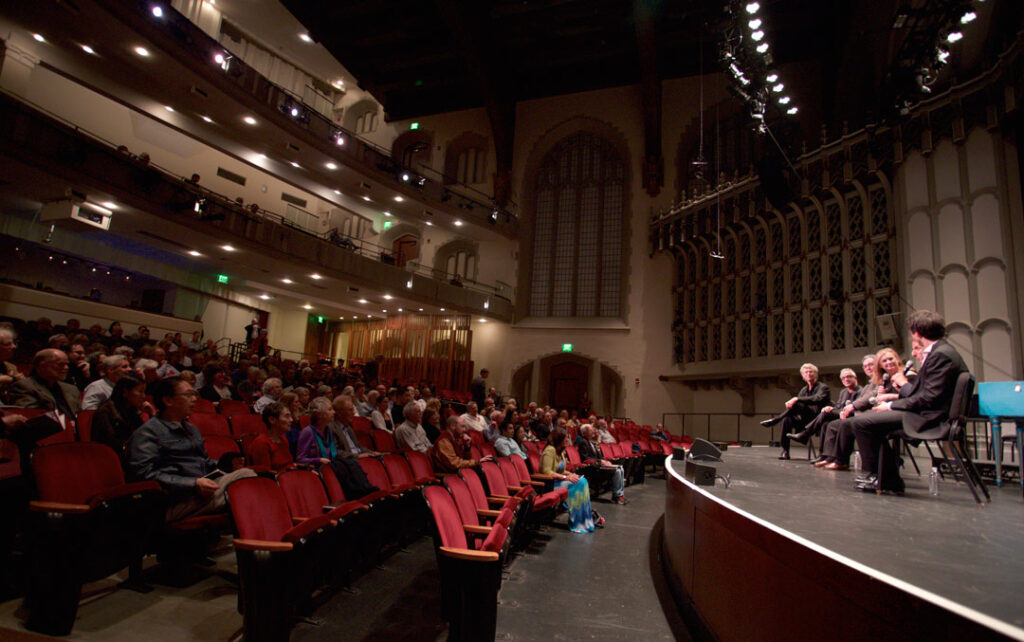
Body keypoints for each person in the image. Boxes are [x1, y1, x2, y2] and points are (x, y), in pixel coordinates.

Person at [847, 310, 969, 494]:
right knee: (870, 421)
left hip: (930, 417)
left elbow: (928, 399)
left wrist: (890, 404)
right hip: (928, 412)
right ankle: (888, 479)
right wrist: (900, 391)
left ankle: (878, 476)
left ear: (916, 333)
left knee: (860, 422)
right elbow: (924, 394)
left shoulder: (941, 355)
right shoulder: (943, 351)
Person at [127, 377, 254, 522]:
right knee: (245, 478)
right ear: (168, 401)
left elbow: (204, 462)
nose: (194, 399)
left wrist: (226, 464)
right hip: (173, 501)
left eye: (194, 394)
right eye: (188, 395)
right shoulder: (148, 433)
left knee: (251, 479)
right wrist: (193, 484)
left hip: (201, 493)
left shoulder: (191, 429)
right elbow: (144, 475)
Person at [816, 354, 878, 470]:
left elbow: (869, 397)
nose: (868, 368)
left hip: (872, 416)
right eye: (865, 366)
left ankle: (841, 460)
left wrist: (851, 407)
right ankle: (830, 457)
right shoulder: (869, 383)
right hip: (861, 415)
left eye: (871, 365)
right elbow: (844, 404)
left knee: (843, 424)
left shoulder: (878, 381)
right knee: (830, 423)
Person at [760, 363, 830, 460]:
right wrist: (796, 401)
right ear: (803, 376)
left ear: (816, 374)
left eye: (811, 372)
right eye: (806, 372)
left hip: (817, 419)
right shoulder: (804, 390)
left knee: (796, 403)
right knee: (786, 419)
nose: (809, 374)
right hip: (804, 419)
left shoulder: (823, 387)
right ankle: (785, 451)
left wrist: (796, 399)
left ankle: (776, 420)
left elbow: (816, 399)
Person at [788, 367, 862, 452]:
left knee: (825, 414)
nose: (846, 379)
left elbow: (859, 407)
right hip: (841, 415)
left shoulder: (861, 391)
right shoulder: (844, 392)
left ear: (855, 378)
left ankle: (805, 434)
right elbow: (838, 406)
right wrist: (831, 408)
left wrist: (841, 410)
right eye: (843, 378)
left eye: (849, 377)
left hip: (853, 417)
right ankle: (823, 454)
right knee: (825, 423)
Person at [541, 428, 596, 532]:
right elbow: (547, 471)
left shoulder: (560, 451)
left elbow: (561, 470)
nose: (568, 439)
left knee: (582, 481)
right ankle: (578, 522)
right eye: (566, 437)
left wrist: (570, 474)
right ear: (559, 438)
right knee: (579, 484)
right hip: (550, 483)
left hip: (558, 480)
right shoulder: (550, 450)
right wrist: (566, 477)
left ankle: (585, 521)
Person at [91, 375, 154, 458]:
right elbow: (110, 444)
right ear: (125, 392)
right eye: (140, 391)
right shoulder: (104, 413)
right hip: (115, 458)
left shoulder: (130, 410)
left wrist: (152, 415)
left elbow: (144, 436)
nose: (143, 396)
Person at [8, 349, 81, 418]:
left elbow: (81, 415)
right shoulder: (24, 387)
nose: (66, 368)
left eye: (67, 364)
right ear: (43, 365)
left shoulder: (71, 389)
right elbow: (32, 416)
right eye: (60, 364)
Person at [576, 424, 627, 504]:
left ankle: (620, 495)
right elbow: (586, 458)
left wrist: (606, 461)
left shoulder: (592, 442)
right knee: (617, 471)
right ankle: (616, 496)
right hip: (593, 468)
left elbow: (599, 457)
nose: (593, 431)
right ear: (584, 433)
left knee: (621, 468)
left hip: (599, 465)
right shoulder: (583, 442)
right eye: (590, 430)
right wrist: (600, 462)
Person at [249, 402, 296, 473]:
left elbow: (288, 464)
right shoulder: (261, 443)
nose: (291, 420)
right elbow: (265, 472)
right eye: (287, 416)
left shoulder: (283, 438)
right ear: (272, 420)